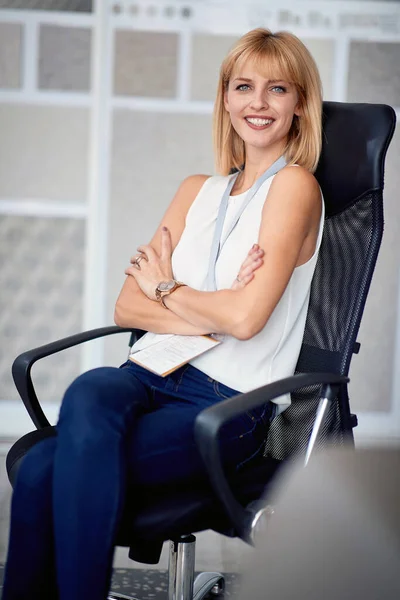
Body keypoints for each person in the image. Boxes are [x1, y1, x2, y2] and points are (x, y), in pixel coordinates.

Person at [3, 28, 324, 600]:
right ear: (224, 98)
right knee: (89, 389)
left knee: (38, 469)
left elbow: (247, 322)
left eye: (277, 89)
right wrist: (211, 309)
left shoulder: (296, 187)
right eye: (243, 86)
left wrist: (167, 288)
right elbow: (129, 305)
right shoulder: (196, 190)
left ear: (299, 103)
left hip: (225, 404)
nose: (258, 103)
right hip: (146, 375)